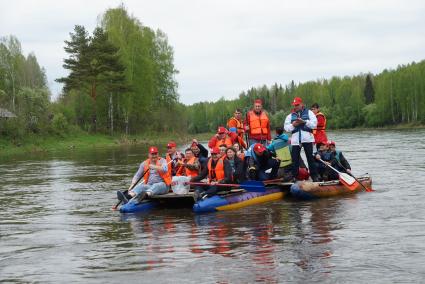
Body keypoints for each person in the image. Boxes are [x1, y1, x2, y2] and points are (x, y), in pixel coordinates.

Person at [284, 97, 320, 182]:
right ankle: (294, 177)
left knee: (310, 158)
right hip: (296, 141)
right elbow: (286, 128)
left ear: (301, 104)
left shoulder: (309, 113)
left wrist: (304, 122)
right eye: (294, 105)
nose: (295, 106)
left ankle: (314, 176)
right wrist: (293, 125)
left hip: (307, 139)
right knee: (295, 159)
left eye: (297, 105)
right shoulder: (290, 116)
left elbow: (314, 125)